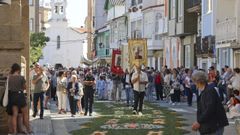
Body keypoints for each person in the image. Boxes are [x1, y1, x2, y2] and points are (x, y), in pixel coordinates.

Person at [7, 63, 32, 134]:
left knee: (14, 114)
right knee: (25, 114)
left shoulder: (9, 77)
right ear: (18, 69)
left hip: (12, 96)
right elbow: (24, 87)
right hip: (20, 96)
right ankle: (28, 129)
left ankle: (15, 131)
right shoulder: (21, 77)